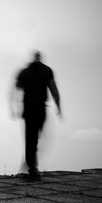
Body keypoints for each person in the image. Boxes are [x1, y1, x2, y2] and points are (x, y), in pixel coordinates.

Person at [10, 51, 62, 181]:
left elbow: (15, 90)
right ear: (40, 58)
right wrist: (59, 106)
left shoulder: (24, 72)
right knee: (35, 138)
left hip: (28, 108)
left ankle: (31, 166)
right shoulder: (47, 70)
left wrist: (15, 108)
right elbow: (54, 90)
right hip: (40, 108)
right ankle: (32, 167)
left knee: (31, 138)